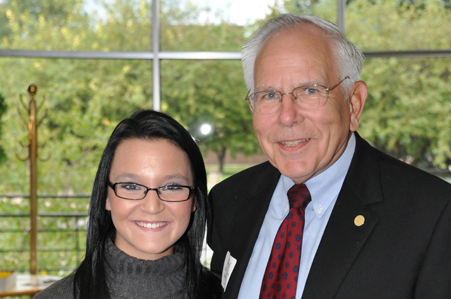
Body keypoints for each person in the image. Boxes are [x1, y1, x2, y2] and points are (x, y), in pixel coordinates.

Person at [207, 14, 451, 299]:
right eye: (269, 95)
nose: (287, 117)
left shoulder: (433, 215)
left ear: (354, 104)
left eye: (310, 90)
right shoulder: (228, 202)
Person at [36, 109, 221, 299]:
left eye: (172, 187)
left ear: (194, 200)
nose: (152, 206)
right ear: (106, 196)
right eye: (131, 186)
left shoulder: (228, 293)